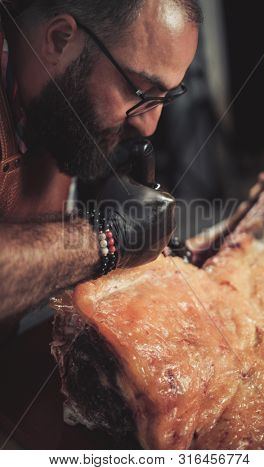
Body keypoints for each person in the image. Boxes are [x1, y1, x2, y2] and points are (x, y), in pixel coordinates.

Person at [0, 0, 201, 324]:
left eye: (165, 97)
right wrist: (105, 238)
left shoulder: (57, 99)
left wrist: (94, 177)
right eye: (139, 90)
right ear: (59, 40)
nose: (149, 127)